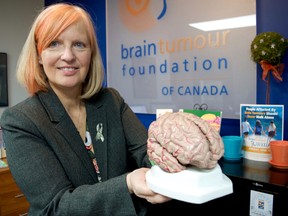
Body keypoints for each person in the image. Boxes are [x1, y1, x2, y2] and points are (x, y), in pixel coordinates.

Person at [0, 3, 170, 215]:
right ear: (38, 56)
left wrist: (176, 148)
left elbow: (146, 153)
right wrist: (128, 183)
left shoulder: (111, 100)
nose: (68, 56)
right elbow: (56, 207)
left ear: (91, 54)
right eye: (54, 44)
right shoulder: (21, 120)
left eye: (79, 44)